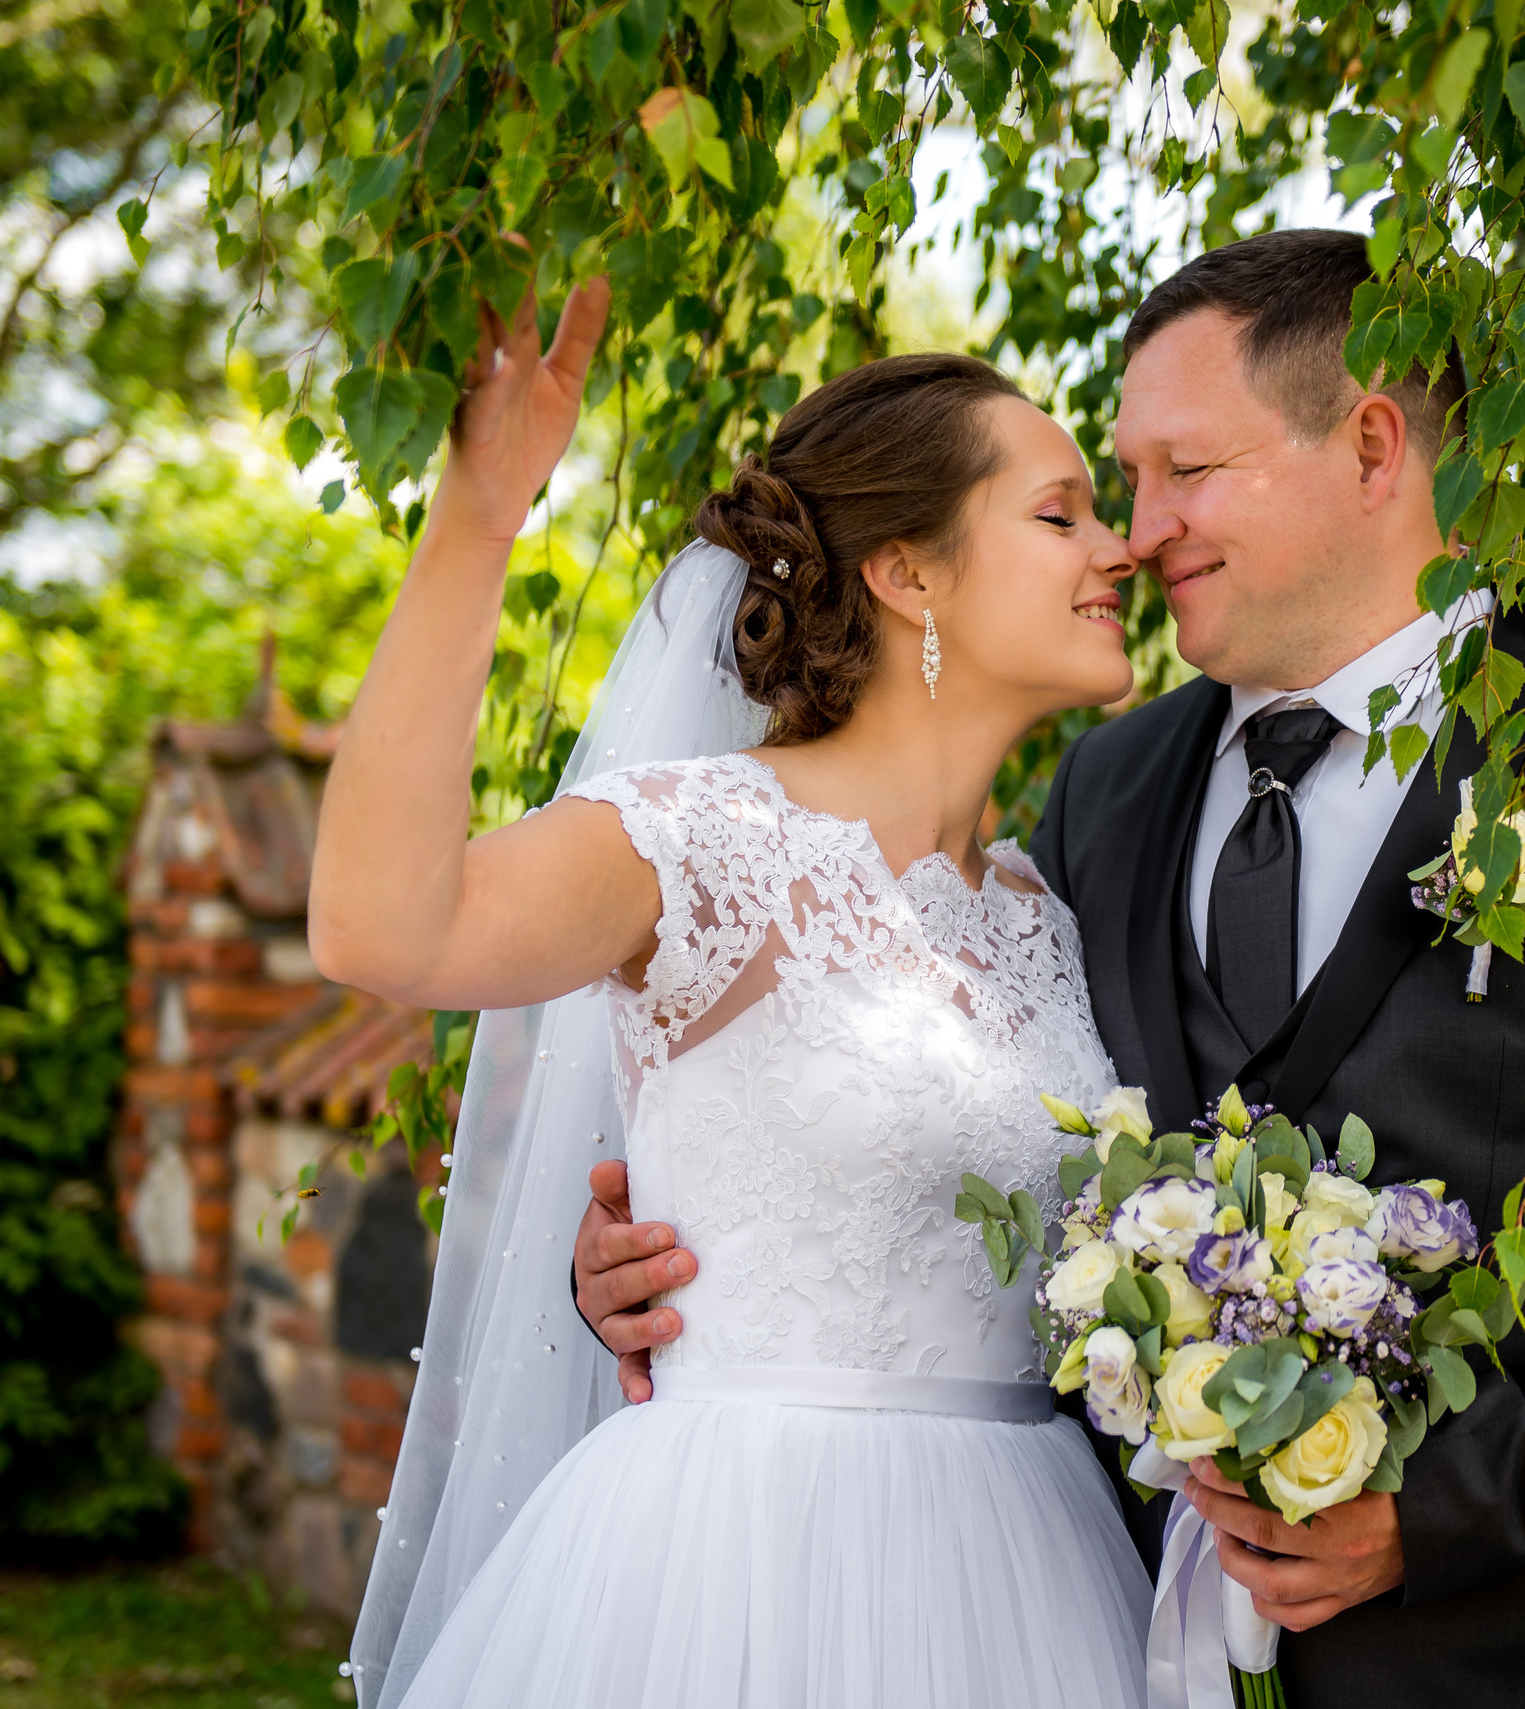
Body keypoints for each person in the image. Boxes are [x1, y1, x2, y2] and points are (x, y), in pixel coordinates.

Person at [577, 229, 1525, 1707]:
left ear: (1372, 445)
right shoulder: (1104, 794)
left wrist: (1447, 1500)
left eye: (1186, 471)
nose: (1137, 534)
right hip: (1133, 1654)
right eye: (1121, 481)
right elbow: (976, 1125)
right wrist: (690, 1253)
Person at [317, 276, 1152, 1707]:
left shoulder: (1045, 910)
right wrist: (479, 519)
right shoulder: (697, 841)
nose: (1118, 548)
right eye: (1060, 514)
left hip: (1030, 1574)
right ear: (910, 574)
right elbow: (383, 926)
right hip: (739, 1565)